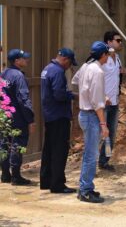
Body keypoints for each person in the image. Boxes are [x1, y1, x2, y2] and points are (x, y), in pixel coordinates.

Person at [72, 41, 110, 203]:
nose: (109, 56)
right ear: (103, 55)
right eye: (108, 53)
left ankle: (86, 187)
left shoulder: (85, 66)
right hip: (92, 116)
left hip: (84, 113)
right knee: (91, 155)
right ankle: (85, 190)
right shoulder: (97, 71)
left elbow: (75, 81)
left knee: (90, 153)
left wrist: (90, 96)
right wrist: (103, 124)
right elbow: (96, 102)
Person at [40, 48, 78, 193]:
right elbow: (59, 95)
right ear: (66, 60)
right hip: (59, 116)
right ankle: (57, 184)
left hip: (50, 115)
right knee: (59, 151)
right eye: (70, 64)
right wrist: (72, 96)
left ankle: (46, 181)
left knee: (48, 149)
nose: (69, 67)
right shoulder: (57, 72)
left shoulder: (47, 69)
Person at [0, 49, 35, 185]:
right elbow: (23, 99)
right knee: (18, 145)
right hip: (18, 117)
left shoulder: (3, 74)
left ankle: (5, 175)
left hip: (5, 116)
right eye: (23, 58)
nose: (26, 60)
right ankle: (16, 176)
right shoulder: (18, 76)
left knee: (4, 144)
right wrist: (30, 119)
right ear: (16, 61)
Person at [98, 31, 126, 172]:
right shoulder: (102, 58)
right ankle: (91, 162)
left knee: (111, 134)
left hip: (114, 101)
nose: (120, 43)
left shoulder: (118, 58)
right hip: (103, 103)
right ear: (109, 42)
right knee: (99, 134)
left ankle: (104, 161)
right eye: (118, 40)